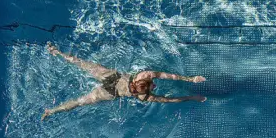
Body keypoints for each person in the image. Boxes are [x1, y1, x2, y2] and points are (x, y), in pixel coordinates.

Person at [41, 43, 207, 120]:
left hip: (111, 77)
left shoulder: (143, 76)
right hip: (111, 93)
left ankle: (57, 52)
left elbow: (168, 78)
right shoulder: (143, 97)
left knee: (82, 64)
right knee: (79, 102)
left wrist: (191, 79)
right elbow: (169, 99)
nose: (155, 85)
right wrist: (191, 97)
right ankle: (51, 111)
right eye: (152, 86)